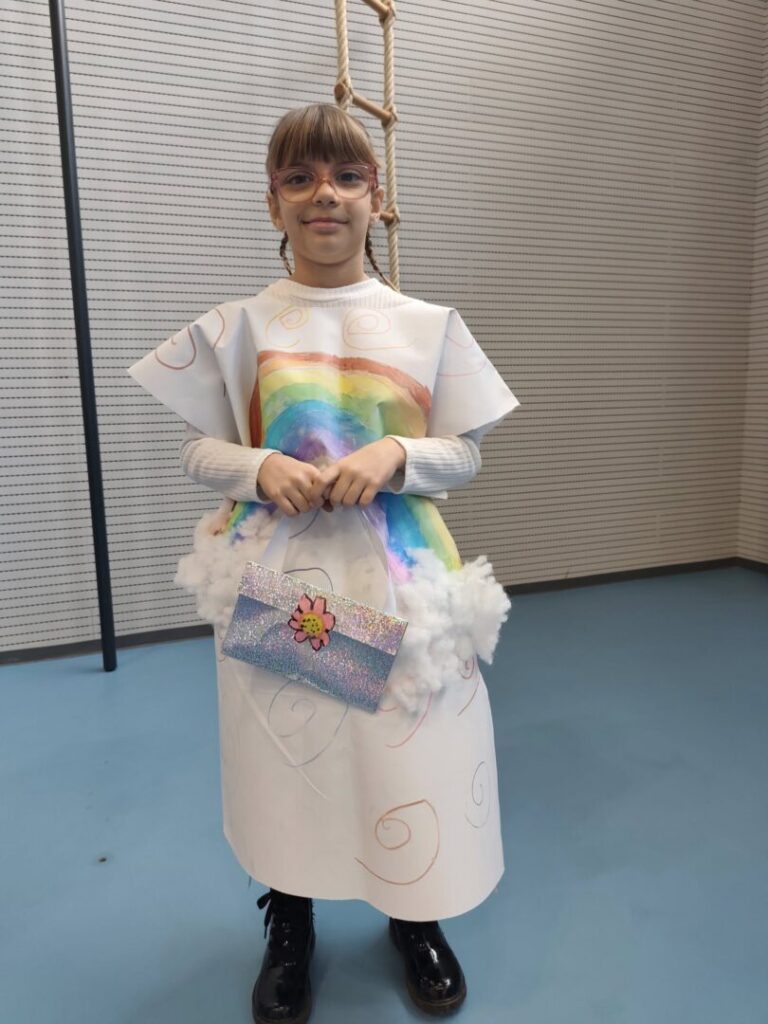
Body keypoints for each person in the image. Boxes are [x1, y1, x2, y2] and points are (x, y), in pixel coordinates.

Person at [127, 103, 521, 1024]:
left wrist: (397, 455)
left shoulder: (427, 326)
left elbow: (465, 453)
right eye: (299, 179)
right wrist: (258, 466)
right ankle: (291, 924)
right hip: (282, 588)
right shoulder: (238, 328)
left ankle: (415, 912)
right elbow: (197, 450)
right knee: (293, 759)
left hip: (403, 580)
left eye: (346, 177)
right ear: (273, 203)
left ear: (376, 196)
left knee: (407, 751)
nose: (324, 196)